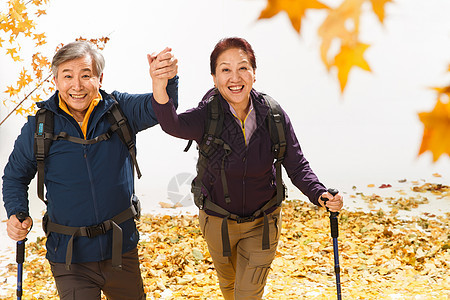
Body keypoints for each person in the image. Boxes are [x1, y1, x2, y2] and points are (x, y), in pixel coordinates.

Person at [149, 37, 343, 299]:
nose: (235, 77)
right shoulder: (208, 115)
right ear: (214, 78)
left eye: (242, 68)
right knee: (229, 289)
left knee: (246, 294)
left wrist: (319, 193)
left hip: (262, 222)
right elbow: (172, 124)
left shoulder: (273, 115)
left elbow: (296, 165)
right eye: (225, 69)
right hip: (217, 221)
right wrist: (160, 85)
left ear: (254, 73)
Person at [2, 40, 178, 300]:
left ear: (100, 78)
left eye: (86, 75)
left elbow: (161, 110)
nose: (77, 85)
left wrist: (164, 80)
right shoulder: (39, 128)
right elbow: (15, 176)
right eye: (68, 76)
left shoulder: (120, 110)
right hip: (69, 257)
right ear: (55, 80)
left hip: (120, 249)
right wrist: (17, 212)